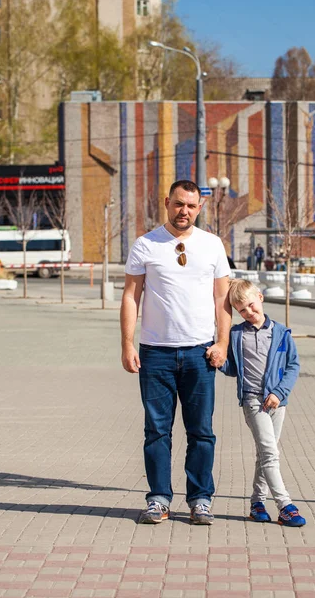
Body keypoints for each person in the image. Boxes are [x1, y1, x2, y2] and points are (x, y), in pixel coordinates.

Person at [121, 179, 231, 526]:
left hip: (200, 353)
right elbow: (130, 296)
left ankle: (200, 499)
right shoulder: (146, 244)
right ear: (167, 202)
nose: (184, 211)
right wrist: (127, 343)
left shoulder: (212, 245)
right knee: (156, 430)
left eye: (191, 206)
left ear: (200, 208)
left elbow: (222, 299)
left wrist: (222, 343)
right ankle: (158, 498)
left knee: (201, 431)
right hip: (156, 353)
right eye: (179, 204)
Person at [215, 279, 306, 527]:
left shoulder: (281, 333)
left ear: (261, 298)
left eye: (252, 306)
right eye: (242, 310)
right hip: (252, 400)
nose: (249, 313)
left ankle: (257, 503)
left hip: (277, 402)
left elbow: (293, 366)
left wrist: (279, 392)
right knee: (269, 452)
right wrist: (218, 361)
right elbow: (233, 368)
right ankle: (285, 505)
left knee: (265, 454)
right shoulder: (236, 335)